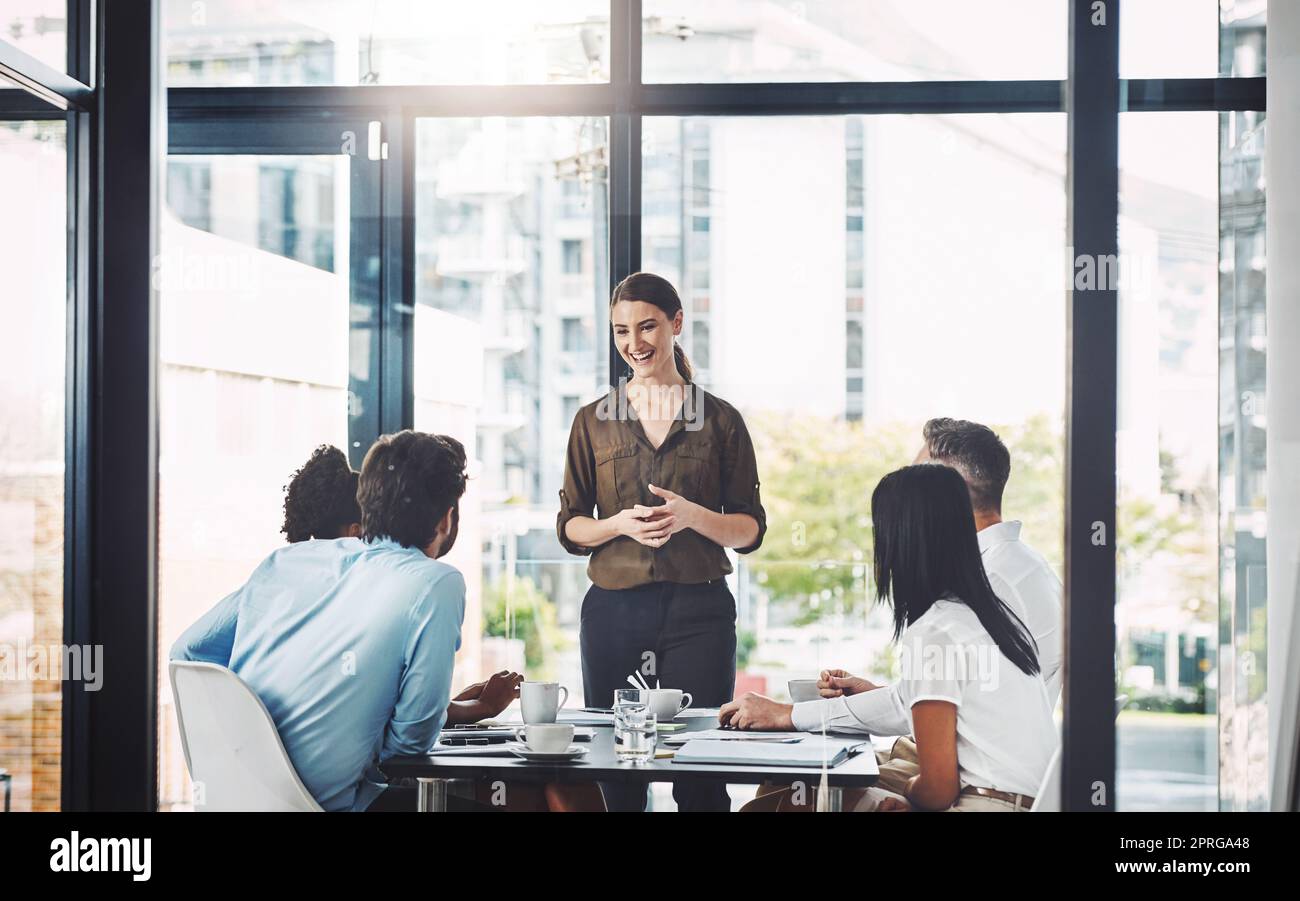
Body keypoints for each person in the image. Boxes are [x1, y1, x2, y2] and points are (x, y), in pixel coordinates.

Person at [721, 464, 1057, 812]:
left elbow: (938, 789)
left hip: (984, 805)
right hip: (1025, 803)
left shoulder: (934, 630)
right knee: (788, 794)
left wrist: (908, 791)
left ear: (903, 541)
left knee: (765, 808)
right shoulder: (994, 616)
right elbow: (937, 709)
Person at [557, 272, 767, 812]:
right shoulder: (592, 421)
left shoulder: (721, 421)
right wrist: (618, 525)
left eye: (647, 326)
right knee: (616, 769)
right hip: (613, 611)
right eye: (621, 331)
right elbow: (572, 526)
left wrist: (696, 516)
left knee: (699, 771)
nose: (634, 343)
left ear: (676, 324)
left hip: (699, 612)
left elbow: (748, 530)